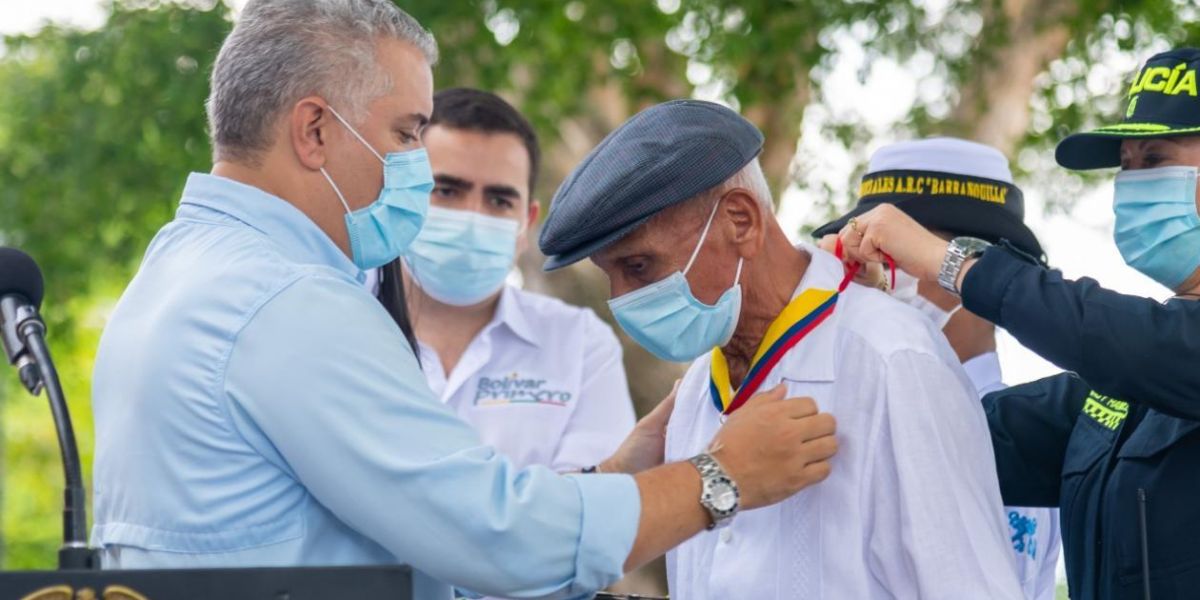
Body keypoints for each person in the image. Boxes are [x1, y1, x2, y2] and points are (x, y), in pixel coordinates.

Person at [87, 2, 841, 599]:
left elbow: (420, 530)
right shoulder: (288, 300)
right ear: (314, 129)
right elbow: (492, 538)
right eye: (408, 133)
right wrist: (716, 480)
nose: (417, 165)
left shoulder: (181, 268)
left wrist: (612, 479)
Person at [538, 99, 1023, 599]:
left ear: (740, 221)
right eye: (610, 276)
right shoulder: (695, 392)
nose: (621, 299)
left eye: (639, 267)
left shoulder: (889, 355)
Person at [836, 47, 1200, 600]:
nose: (1130, 186)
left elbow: (1107, 332)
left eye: (1153, 161)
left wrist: (946, 262)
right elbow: (936, 433)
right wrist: (828, 308)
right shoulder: (1117, 394)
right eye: (1125, 165)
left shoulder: (1150, 352)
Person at [814, 137, 1062, 600]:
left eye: (890, 252)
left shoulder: (1024, 436)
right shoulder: (844, 402)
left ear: (974, 264)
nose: (869, 272)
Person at [370, 88, 635, 472]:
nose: (472, 218)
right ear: (403, 195)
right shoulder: (343, 324)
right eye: (446, 190)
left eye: (498, 201)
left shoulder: (579, 346)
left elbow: (589, 513)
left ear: (526, 221)